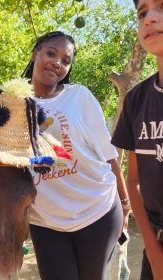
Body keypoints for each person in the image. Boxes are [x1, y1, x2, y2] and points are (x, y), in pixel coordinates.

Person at [22, 31, 130, 280]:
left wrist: (125, 204)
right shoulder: (12, 103)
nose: (57, 63)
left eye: (65, 60)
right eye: (51, 53)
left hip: (98, 211)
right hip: (46, 220)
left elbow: (107, 153)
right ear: (35, 53)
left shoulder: (79, 96)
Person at [111, 0, 163, 279]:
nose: (149, 18)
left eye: (161, 7)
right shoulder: (136, 100)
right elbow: (134, 182)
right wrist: (153, 252)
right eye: (142, 12)